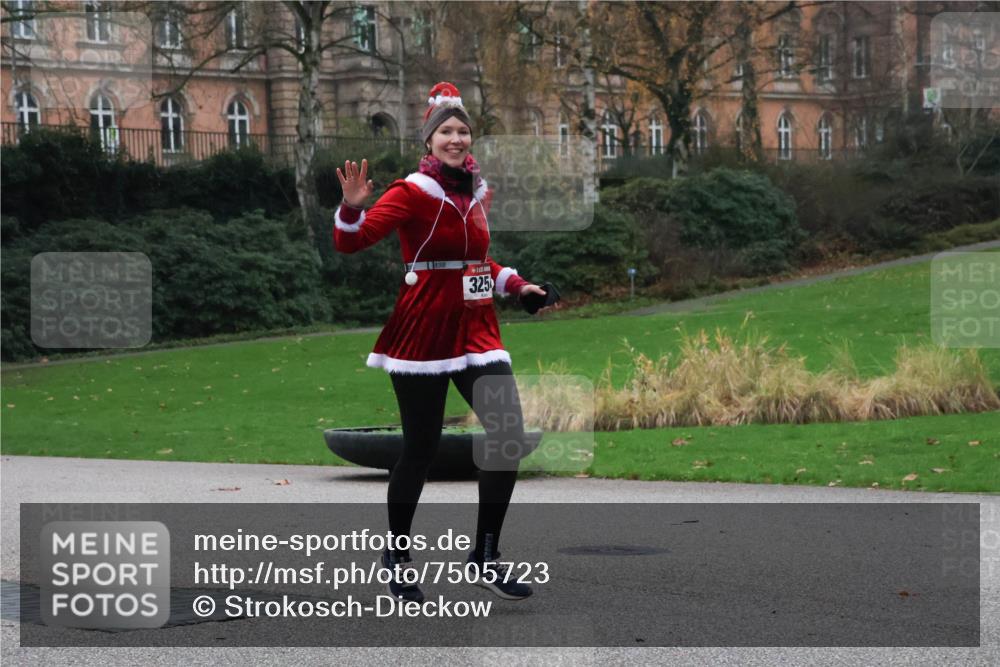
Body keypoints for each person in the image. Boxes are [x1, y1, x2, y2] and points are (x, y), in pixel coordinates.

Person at [334, 82, 558, 603]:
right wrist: (350, 208)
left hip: (477, 331)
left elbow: (480, 263)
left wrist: (519, 286)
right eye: (446, 131)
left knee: (507, 438)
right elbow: (352, 241)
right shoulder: (412, 191)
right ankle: (397, 552)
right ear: (429, 140)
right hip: (424, 332)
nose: (456, 139)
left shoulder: (475, 194)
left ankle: (485, 553)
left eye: (463, 130)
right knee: (420, 449)